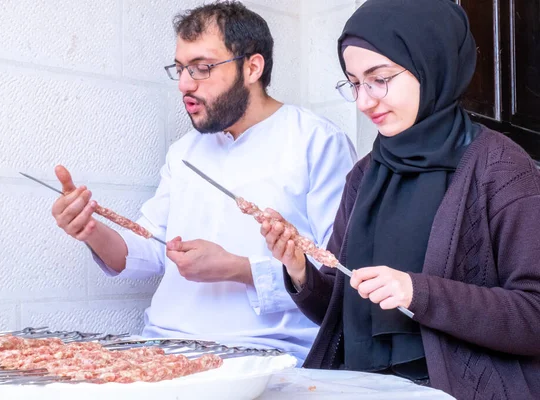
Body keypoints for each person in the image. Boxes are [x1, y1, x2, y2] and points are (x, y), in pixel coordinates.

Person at [260, 0, 540, 397]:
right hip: (359, 386)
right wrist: (299, 270)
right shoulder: (364, 174)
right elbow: (338, 314)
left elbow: (534, 315)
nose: (364, 101)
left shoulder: (500, 166)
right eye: (354, 83)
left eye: (380, 78)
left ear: (432, 62)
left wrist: (418, 293)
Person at [51, 0, 356, 363]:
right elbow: (150, 250)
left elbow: (334, 274)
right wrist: (89, 228)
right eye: (180, 69)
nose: (183, 84)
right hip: (164, 349)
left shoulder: (316, 141)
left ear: (252, 67)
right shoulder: (183, 151)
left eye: (201, 68)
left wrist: (239, 269)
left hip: (270, 355)